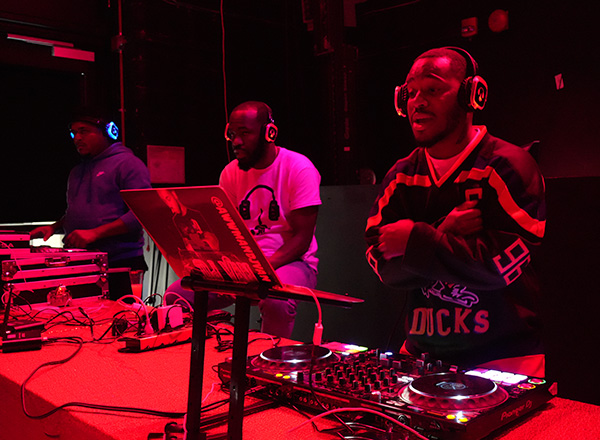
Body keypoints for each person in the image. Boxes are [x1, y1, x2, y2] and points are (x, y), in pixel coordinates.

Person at [365, 47, 546, 377]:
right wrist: (439, 233)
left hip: (504, 360)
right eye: (410, 92)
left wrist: (415, 240)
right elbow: (385, 269)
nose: (417, 102)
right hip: (420, 356)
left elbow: (498, 268)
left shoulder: (508, 167)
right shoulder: (401, 175)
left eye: (433, 90)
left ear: (472, 94)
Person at [167, 101, 321, 338]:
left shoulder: (299, 168)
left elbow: (302, 238)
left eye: (245, 133)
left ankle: (270, 362)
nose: (236, 141)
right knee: (178, 295)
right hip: (242, 265)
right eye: (232, 134)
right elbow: (225, 230)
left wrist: (260, 269)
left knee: (275, 301)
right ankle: (202, 355)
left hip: (293, 263)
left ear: (269, 133)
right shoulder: (230, 173)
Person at [30, 111, 152, 271]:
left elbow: (142, 213)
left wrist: (95, 233)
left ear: (108, 131)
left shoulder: (128, 164)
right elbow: (78, 213)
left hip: (119, 262)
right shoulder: (76, 171)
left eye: (83, 131)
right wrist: (54, 227)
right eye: (74, 133)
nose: (77, 138)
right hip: (81, 259)